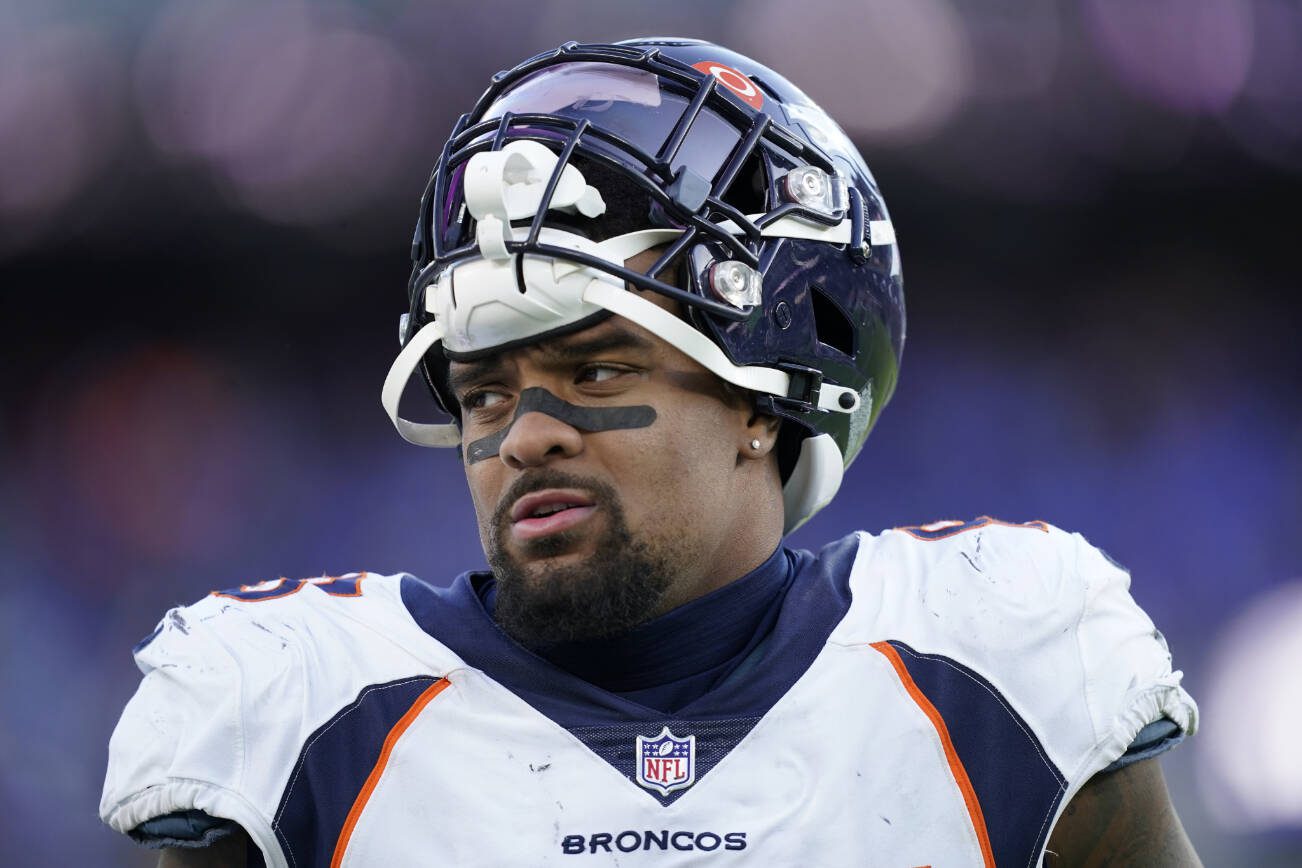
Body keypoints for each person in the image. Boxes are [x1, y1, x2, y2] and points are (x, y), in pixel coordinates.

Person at [100, 38, 1200, 867]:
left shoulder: (994, 675)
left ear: (766, 401)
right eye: (484, 389)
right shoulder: (302, 716)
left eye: (594, 374)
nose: (523, 436)